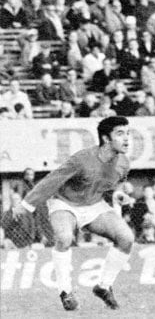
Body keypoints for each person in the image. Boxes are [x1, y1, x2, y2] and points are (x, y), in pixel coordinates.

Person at [11, 117, 133, 311]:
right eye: (120, 134)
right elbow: (52, 180)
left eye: (128, 133)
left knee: (126, 238)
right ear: (106, 138)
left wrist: (117, 194)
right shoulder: (82, 159)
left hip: (94, 205)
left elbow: (112, 185)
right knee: (64, 237)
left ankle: (103, 287)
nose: (127, 138)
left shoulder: (123, 163)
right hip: (64, 203)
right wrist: (26, 205)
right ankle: (66, 292)